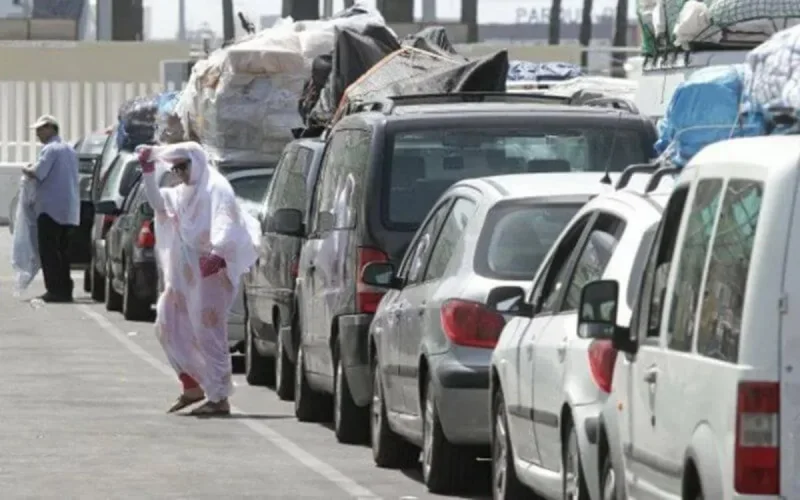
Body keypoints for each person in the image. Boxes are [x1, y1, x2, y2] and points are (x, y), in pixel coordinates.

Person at [136, 142, 258, 416]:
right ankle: (192, 385)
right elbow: (158, 204)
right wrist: (147, 172)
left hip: (209, 272)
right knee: (167, 323)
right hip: (184, 276)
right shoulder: (183, 193)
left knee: (209, 332)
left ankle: (219, 396)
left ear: (197, 162)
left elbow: (226, 220)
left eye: (183, 166)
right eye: (175, 168)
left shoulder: (216, 188)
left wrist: (217, 252)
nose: (179, 173)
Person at [22, 115, 79, 303]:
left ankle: (55, 289)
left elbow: (39, 172)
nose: (38, 134)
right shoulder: (69, 149)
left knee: (49, 250)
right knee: (63, 251)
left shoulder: (51, 149)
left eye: (41, 130)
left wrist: (27, 169)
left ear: (51, 129)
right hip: (68, 209)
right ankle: (65, 289)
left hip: (50, 208)